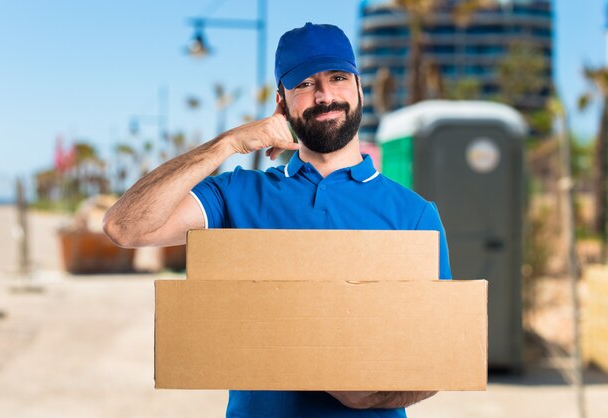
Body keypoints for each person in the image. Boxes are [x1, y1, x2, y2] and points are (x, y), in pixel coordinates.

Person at [104, 22, 451, 418]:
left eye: (337, 78)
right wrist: (228, 143)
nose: (324, 96)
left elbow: (436, 357)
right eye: (304, 83)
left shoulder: (413, 213)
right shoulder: (236, 194)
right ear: (281, 103)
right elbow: (125, 227)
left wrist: (369, 397)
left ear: (359, 88)